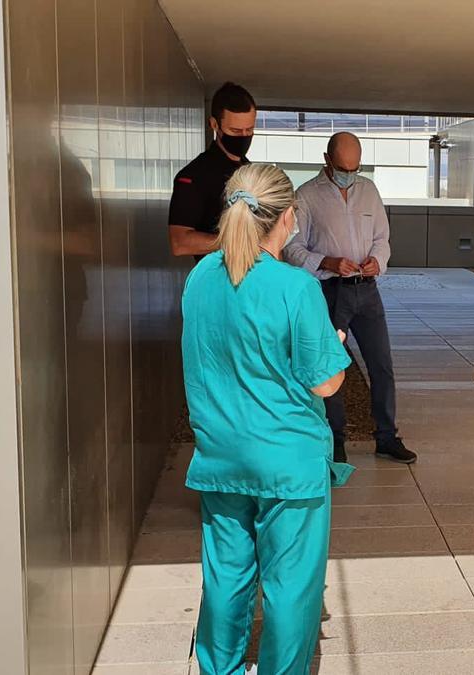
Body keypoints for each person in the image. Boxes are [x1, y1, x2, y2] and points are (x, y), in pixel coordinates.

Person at [181, 163, 353, 675]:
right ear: (288, 218)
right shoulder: (294, 287)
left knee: (226, 578)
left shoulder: (199, 277)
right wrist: (333, 346)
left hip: (221, 456)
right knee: (290, 590)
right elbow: (325, 382)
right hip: (287, 464)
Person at [284, 132, 417, 465]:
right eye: (344, 168)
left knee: (382, 366)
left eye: (355, 168)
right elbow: (291, 247)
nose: (350, 174)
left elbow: (382, 239)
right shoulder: (307, 196)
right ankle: (334, 441)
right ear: (327, 160)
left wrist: (377, 261)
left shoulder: (369, 191)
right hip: (330, 292)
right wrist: (327, 262)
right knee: (329, 367)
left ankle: (387, 437)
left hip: (367, 291)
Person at [168, 82, 257, 258]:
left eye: (250, 129)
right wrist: (237, 241)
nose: (244, 136)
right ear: (214, 124)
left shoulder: (249, 170)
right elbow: (180, 243)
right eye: (235, 131)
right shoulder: (194, 176)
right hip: (218, 279)